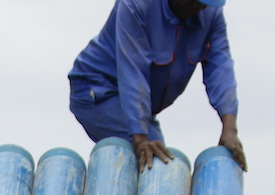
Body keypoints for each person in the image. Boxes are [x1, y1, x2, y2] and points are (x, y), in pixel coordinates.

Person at [69, 0, 247, 172]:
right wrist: (140, 139)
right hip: (97, 90)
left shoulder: (210, 14)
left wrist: (230, 129)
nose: (197, 8)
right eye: (193, 0)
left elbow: (221, 68)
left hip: (136, 105)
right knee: (156, 164)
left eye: (204, 3)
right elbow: (132, 70)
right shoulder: (136, 4)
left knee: (160, 160)